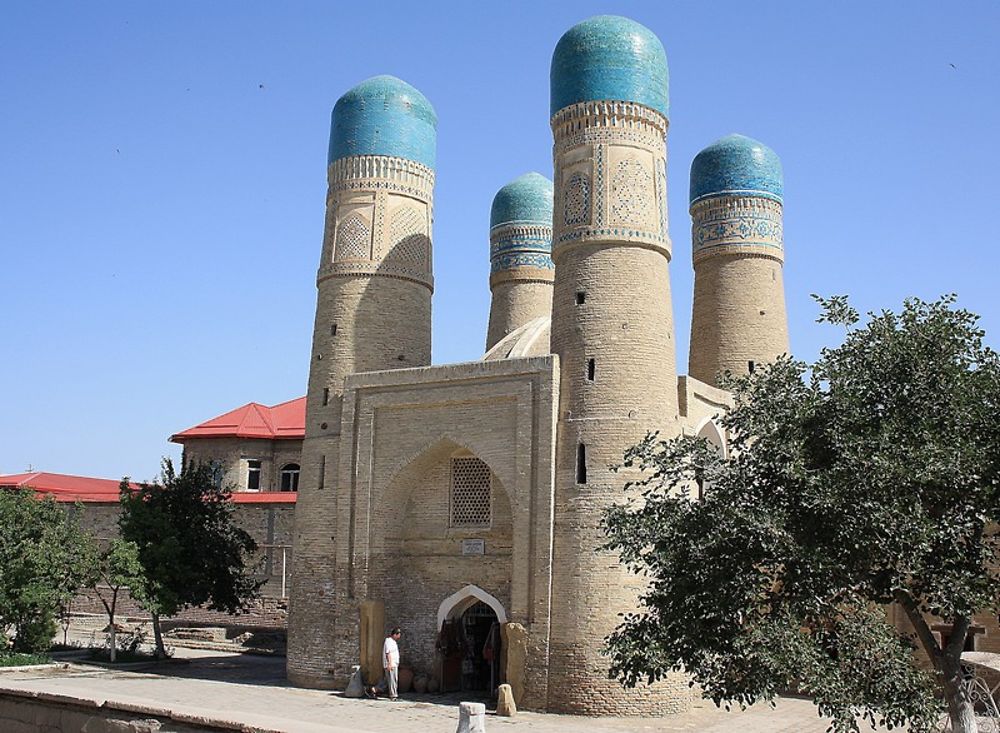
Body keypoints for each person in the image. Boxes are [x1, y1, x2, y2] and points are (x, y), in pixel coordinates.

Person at [382, 627, 402, 700]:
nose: (399, 636)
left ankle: (375, 689)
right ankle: (393, 695)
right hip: (391, 664)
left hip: (394, 664)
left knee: (391, 680)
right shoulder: (389, 641)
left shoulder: (393, 642)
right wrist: (389, 663)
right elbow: (388, 653)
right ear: (395, 634)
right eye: (399, 634)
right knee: (392, 680)